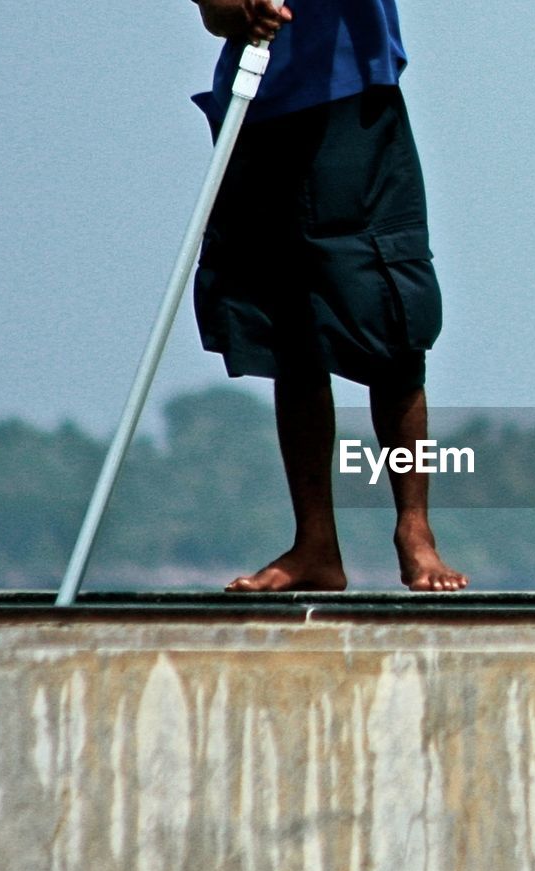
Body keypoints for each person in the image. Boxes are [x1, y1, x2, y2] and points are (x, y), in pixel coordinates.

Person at [190, 0, 468, 592]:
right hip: (258, 110)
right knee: (288, 335)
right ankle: (315, 545)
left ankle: (415, 532)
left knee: (389, 323)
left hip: (352, 98)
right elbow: (215, 12)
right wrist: (244, 9)